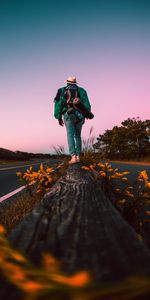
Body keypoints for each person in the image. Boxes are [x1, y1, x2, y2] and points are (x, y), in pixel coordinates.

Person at [54, 76, 91, 164]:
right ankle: (78, 157)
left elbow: (58, 104)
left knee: (70, 135)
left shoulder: (61, 90)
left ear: (67, 82)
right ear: (75, 83)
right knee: (78, 136)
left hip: (68, 114)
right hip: (80, 115)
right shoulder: (82, 90)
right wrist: (85, 114)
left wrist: (58, 117)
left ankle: (73, 157)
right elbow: (87, 104)